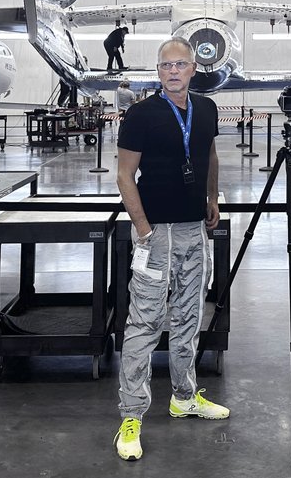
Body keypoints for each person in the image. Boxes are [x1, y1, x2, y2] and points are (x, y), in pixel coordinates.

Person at [113, 37, 228, 462]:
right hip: (155, 231)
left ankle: (183, 395)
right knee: (144, 321)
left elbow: (209, 153)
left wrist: (213, 196)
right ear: (158, 72)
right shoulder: (141, 115)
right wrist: (142, 227)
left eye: (180, 64)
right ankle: (131, 416)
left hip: (194, 228)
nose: (173, 70)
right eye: (166, 65)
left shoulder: (207, 109)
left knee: (189, 315)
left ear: (193, 68)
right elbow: (125, 175)